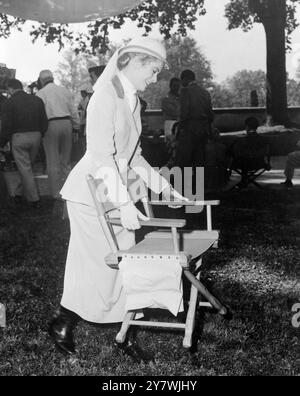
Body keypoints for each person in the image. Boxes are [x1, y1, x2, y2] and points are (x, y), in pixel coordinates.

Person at [48, 37, 188, 356]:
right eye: (151, 72)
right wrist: (124, 202)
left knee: (127, 262)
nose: (154, 80)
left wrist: (165, 187)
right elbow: (100, 157)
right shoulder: (104, 97)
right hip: (91, 194)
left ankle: (126, 333)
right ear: (132, 62)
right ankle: (62, 321)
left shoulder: (133, 100)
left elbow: (133, 155)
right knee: (95, 264)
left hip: (117, 190)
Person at [0, 79, 48, 207]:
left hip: (19, 136)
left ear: (11, 89)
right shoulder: (37, 100)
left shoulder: (9, 103)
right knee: (27, 168)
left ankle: (34, 200)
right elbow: (44, 120)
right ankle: (18, 193)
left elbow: (6, 125)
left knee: (25, 168)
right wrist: (40, 134)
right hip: (36, 136)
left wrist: (2, 141)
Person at [36, 70, 80, 200]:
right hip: (66, 123)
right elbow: (73, 110)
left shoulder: (40, 93)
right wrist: (76, 127)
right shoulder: (64, 90)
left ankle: (56, 193)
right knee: (66, 161)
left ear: (41, 81)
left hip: (50, 125)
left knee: (52, 160)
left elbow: (40, 114)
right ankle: (70, 191)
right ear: (52, 78)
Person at [175, 69, 214, 170]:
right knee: (199, 161)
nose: (181, 83)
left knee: (184, 161)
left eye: (182, 80)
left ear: (185, 79)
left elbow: (183, 113)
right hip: (203, 130)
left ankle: (183, 185)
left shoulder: (185, 91)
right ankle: (198, 185)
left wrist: (179, 130)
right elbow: (210, 114)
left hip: (189, 130)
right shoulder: (205, 92)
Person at [230, 117, 270, 188]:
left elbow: (234, 152)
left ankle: (243, 180)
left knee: (242, 158)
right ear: (257, 127)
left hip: (243, 164)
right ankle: (245, 180)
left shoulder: (240, 140)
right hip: (259, 163)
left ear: (247, 127)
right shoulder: (263, 140)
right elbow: (267, 151)